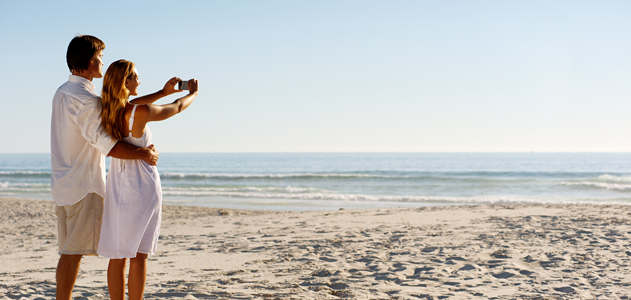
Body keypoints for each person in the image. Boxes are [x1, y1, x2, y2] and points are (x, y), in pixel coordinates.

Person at [51, 35, 162, 300]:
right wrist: (143, 153)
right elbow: (107, 145)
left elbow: (122, 105)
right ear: (91, 62)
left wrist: (163, 92)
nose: (102, 63)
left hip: (63, 186)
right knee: (73, 253)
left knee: (69, 250)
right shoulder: (86, 100)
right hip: (84, 186)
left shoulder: (63, 92)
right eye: (100, 59)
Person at [97, 59, 199, 300]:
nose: (140, 81)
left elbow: (137, 102)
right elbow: (175, 107)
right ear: (126, 81)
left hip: (118, 186)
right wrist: (193, 94)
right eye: (137, 77)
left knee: (117, 255)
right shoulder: (138, 112)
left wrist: (162, 91)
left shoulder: (110, 110)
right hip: (141, 187)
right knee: (139, 256)